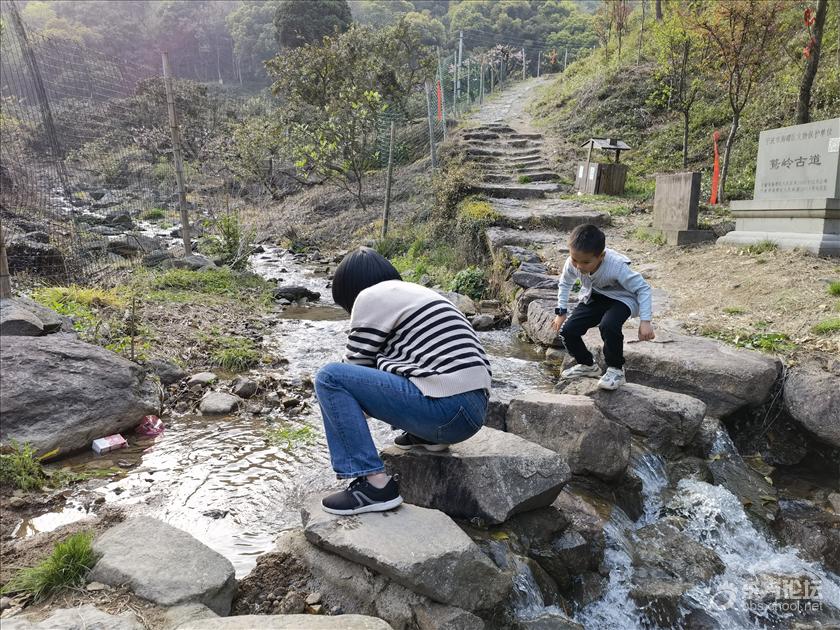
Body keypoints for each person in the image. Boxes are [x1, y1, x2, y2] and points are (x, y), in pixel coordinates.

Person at [314, 247, 491, 516]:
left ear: (351, 290)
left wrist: (346, 414)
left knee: (329, 378)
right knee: (394, 364)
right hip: (473, 412)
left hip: (446, 408)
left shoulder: (370, 296)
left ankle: (373, 486)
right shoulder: (418, 294)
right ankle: (425, 437)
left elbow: (353, 369)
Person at [551, 224, 654, 391]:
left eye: (585, 262)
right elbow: (565, 283)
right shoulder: (573, 263)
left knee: (609, 325)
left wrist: (646, 321)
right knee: (568, 330)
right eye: (574, 259)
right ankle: (588, 365)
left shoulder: (616, 266)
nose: (578, 266)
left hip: (623, 299)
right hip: (595, 296)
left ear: (601, 256)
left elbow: (643, 288)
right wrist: (561, 312)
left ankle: (616, 370)